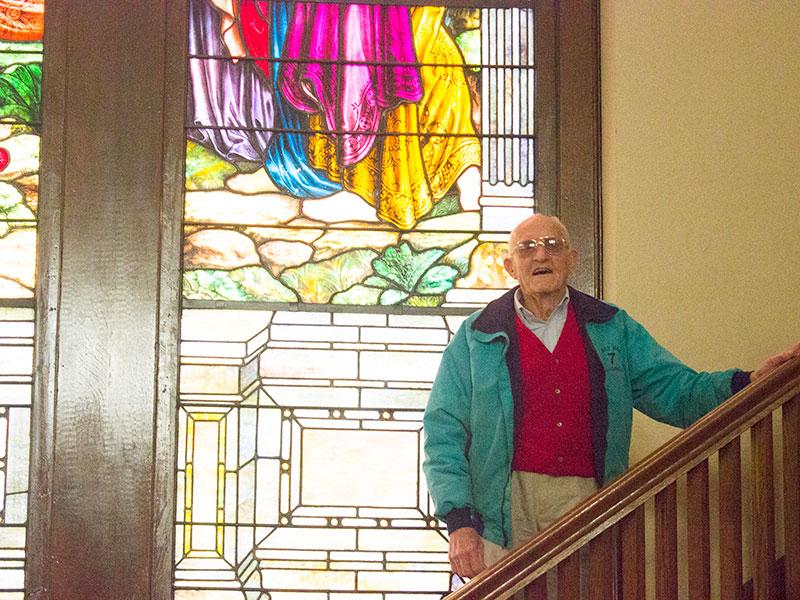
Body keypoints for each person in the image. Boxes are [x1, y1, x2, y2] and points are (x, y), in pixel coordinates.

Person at [422, 214, 800, 580]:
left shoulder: (611, 326)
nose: (541, 255)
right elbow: (444, 432)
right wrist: (459, 521)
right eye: (528, 248)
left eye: (553, 245)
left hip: (590, 502)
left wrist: (747, 382)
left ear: (572, 260)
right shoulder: (476, 336)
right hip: (501, 510)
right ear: (509, 266)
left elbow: (676, 390)